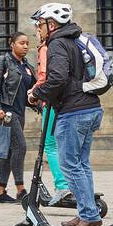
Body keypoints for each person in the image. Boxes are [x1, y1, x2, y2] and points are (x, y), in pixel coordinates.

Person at [27, 2, 104, 226]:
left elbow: (57, 78)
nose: (38, 29)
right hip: (90, 108)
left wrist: (36, 94)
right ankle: (86, 212)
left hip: (73, 112)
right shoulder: (74, 41)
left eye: (40, 24)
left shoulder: (58, 43)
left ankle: (89, 216)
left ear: (52, 24)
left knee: (69, 164)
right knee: (81, 164)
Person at [0, 31, 33, 203]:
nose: (26, 46)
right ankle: (21, 190)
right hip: (5, 111)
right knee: (20, 147)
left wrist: (37, 103)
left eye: (27, 43)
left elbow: (29, 90)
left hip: (19, 112)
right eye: (22, 43)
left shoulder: (26, 66)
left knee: (8, 151)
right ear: (12, 44)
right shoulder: (3, 61)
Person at [28, 21, 71, 206]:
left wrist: (33, 92)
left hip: (52, 102)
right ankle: (69, 183)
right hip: (64, 102)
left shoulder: (47, 48)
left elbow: (45, 76)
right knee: (63, 145)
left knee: (50, 145)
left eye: (39, 28)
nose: (37, 32)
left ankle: (62, 186)